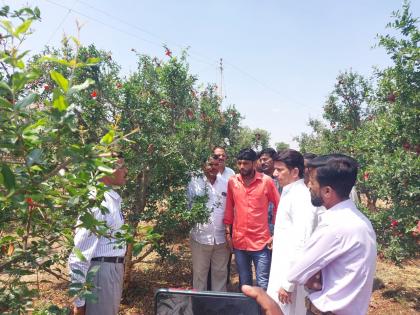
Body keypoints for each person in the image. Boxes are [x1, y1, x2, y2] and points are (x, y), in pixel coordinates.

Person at [286, 154, 377, 315]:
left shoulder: (335, 226)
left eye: (312, 182)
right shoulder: (360, 220)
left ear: (327, 191)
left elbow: (296, 273)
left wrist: (315, 276)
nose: (308, 186)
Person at [68, 156, 128, 315]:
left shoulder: (110, 199)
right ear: (107, 169)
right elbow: (79, 256)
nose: (126, 171)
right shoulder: (97, 202)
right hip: (101, 273)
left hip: (111, 270)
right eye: (122, 167)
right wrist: (79, 302)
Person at [267, 149, 318, 315]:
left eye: (280, 170)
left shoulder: (301, 197)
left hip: (290, 277)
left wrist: (288, 284)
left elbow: (302, 242)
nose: (274, 174)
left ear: (295, 171)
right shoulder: (289, 192)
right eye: (275, 169)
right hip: (283, 268)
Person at [224, 148, 280, 290]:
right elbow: (229, 208)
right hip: (239, 241)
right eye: (239, 163)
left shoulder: (266, 181)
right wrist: (227, 233)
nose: (242, 167)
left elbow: (278, 206)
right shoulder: (232, 181)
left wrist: (275, 232)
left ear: (255, 163)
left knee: (263, 283)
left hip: (261, 242)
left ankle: (263, 311)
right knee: (245, 283)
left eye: (246, 163)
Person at [188, 155, 230, 291]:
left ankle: (218, 307)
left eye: (216, 165)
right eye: (210, 164)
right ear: (203, 166)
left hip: (221, 239)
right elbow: (187, 207)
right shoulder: (194, 183)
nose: (213, 168)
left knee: (220, 275)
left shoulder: (226, 183)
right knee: (200, 275)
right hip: (200, 238)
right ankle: (200, 306)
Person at [259, 147, 282, 235]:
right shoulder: (258, 180)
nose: (262, 163)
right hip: (262, 228)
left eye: (265, 159)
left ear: (274, 160)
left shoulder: (281, 179)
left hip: (278, 227)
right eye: (260, 160)